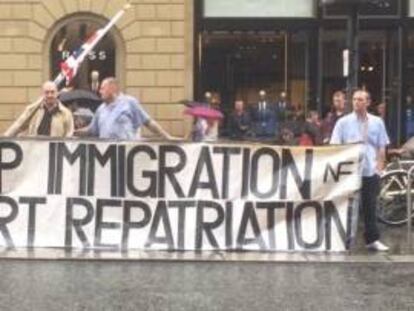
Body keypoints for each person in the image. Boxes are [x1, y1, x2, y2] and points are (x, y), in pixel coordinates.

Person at [330, 89, 390, 252]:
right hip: (349, 172)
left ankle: (372, 240)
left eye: (361, 100)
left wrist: (379, 168)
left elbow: (381, 146)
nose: (357, 102)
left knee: (370, 206)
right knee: (345, 206)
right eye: (355, 99)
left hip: (369, 170)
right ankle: (342, 239)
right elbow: (334, 145)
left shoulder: (377, 122)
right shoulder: (343, 122)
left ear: (368, 102)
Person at [75, 77, 174, 140]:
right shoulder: (100, 109)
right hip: (106, 157)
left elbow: (148, 122)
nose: (100, 91)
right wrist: (73, 132)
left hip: (126, 154)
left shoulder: (129, 102)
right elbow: (91, 130)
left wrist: (167, 137)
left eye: (102, 88)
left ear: (112, 88)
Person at [4, 81, 74, 137]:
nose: (50, 95)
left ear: (57, 93)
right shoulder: (33, 110)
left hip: (54, 153)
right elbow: (18, 125)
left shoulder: (66, 113)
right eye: (47, 92)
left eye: (52, 92)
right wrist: (4, 139)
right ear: (42, 94)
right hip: (35, 152)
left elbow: (69, 135)